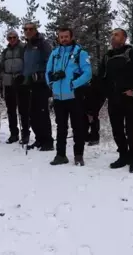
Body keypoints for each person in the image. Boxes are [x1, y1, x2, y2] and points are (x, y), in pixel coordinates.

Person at [98, 28, 133, 173]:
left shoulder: (132, 53)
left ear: (124, 38)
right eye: (112, 35)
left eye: (116, 35)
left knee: (131, 131)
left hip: (129, 99)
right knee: (117, 130)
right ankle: (123, 156)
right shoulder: (107, 56)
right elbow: (101, 78)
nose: (113, 37)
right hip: (113, 100)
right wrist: (106, 93)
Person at [46, 27, 92, 166]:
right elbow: (48, 72)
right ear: (58, 38)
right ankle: (60, 155)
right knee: (61, 127)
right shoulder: (54, 54)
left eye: (66, 36)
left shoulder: (80, 53)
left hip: (74, 96)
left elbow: (87, 73)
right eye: (61, 37)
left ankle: (78, 155)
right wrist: (52, 84)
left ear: (71, 37)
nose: (64, 39)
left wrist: (74, 84)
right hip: (59, 97)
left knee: (78, 127)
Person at [22, 22, 54, 151]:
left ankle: (48, 141)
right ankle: (39, 139)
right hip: (29, 83)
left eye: (31, 29)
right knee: (32, 113)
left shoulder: (43, 44)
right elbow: (26, 64)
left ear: (36, 30)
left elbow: (50, 62)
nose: (28, 31)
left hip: (41, 84)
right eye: (26, 29)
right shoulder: (26, 46)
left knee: (42, 113)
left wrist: (41, 75)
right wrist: (22, 76)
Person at [0, 29, 26, 144]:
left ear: (17, 37)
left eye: (14, 37)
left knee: (23, 110)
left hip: (21, 82)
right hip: (8, 83)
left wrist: (22, 75)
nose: (12, 40)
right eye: (9, 38)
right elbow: (1, 66)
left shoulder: (23, 48)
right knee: (11, 110)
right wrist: (3, 76)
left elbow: (28, 64)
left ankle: (25, 133)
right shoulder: (5, 51)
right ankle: (13, 134)